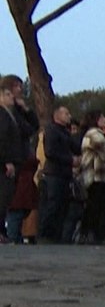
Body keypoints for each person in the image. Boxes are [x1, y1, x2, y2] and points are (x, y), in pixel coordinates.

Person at [0, 79, 36, 242]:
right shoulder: (3, 115)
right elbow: (3, 139)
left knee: (8, 197)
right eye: (8, 94)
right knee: (4, 197)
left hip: (16, 161)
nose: (12, 97)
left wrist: (25, 110)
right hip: (7, 162)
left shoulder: (13, 114)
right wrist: (7, 161)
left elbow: (31, 128)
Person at [38, 106, 78, 243]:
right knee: (53, 205)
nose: (69, 116)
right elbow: (50, 152)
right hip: (54, 174)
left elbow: (76, 147)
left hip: (64, 174)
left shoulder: (65, 132)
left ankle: (56, 236)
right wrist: (70, 160)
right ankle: (45, 235)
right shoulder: (51, 130)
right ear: (57, 116)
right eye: (66, 113)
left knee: (62, 206)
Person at [78, 111, 105, 244]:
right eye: (102, 117)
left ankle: (88, 235)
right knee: (99, 209)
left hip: (97, 177)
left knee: (94, 208)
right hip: (98, 176)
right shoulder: (95, 134)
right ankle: (93, 236)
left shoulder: (93, 135)